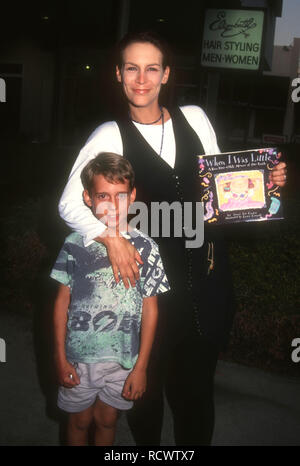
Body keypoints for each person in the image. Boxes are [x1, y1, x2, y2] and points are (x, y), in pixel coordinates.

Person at [58, 31, 287, 445]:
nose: (141, 79)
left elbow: (221, 191)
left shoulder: (195, 118)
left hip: (208, 281)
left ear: (166, 75)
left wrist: (264, 183)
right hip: (150, 295)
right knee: (144, 396)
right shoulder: (109, 134)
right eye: (132, 68)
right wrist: (110, 237)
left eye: (151, 69)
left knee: (197, 394)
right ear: (118, 74)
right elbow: (69, 205)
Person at [51, 152, 170, 446]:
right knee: (78, 422)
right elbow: (61, 303)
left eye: (120, 195)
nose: (113, 204)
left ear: (132, 197)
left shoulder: (147, 246)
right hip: (78, 359)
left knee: (106, 420)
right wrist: (59, 356)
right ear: (88, 198)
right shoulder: (73, 244)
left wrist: (141, 367)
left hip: (123, 362)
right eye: (103, 195)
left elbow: (151, 309)